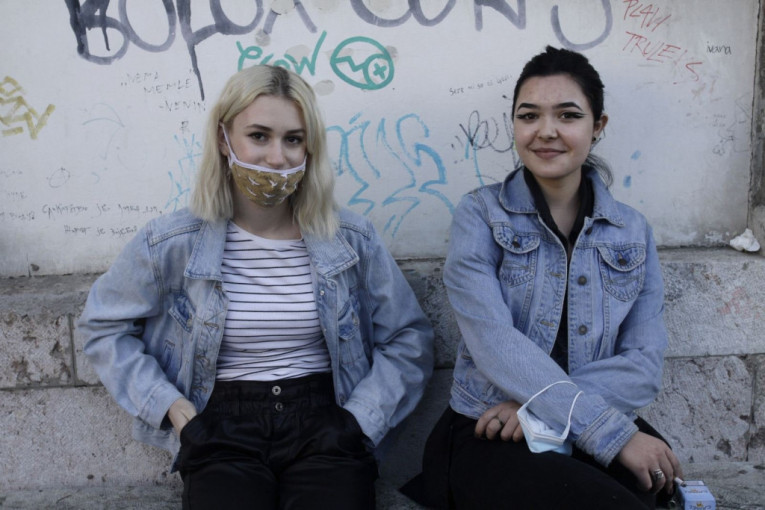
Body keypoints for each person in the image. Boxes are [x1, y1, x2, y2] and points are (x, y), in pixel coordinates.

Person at [78, 65, 434, 510]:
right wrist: (173, 408)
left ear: (310, 147)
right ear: (224, 139)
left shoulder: (351, 238)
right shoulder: (170, 242)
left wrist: (359, 421)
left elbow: (408, 337)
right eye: (259, 136)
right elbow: (103, 327)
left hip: (326, 423)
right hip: (221, 427)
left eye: (293, 139)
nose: (277, 158)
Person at [401, 46, 682, 509]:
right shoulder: (480, 215)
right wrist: (589, 424)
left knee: (660, 483)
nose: (546, 131)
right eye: (529, 115)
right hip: (489, 428)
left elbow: (644, 362)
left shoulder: (632, 231)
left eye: (568, 115)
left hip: (566, 419)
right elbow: (494, 344)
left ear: (598, 126)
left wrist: (537, 410)